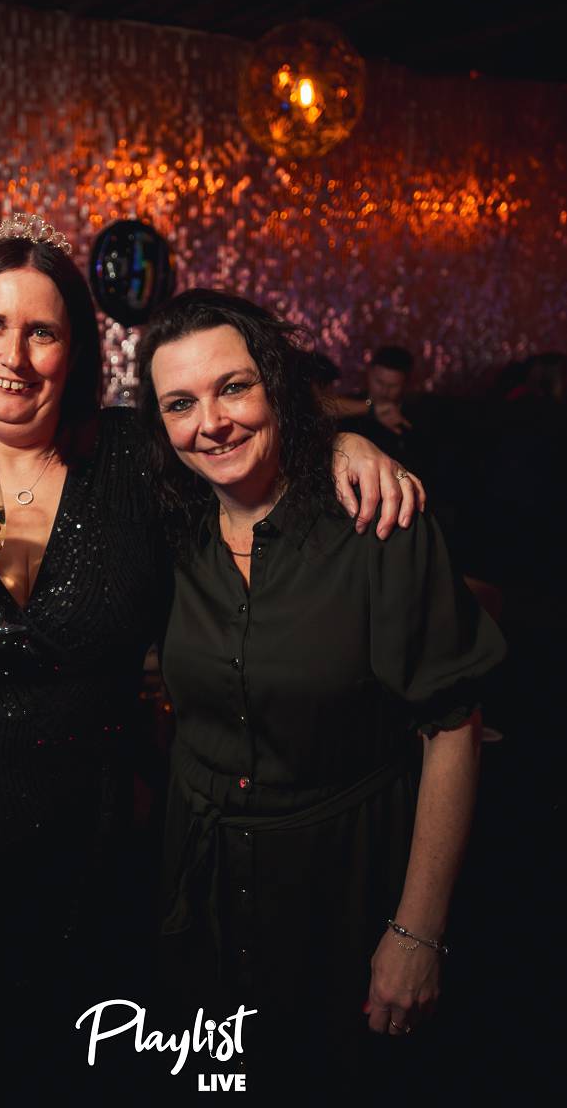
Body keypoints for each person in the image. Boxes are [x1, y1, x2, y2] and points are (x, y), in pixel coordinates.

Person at [0, 216, 421, 1104]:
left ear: (77, 352)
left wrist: (345, 445)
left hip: (79, 884)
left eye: (42, 331)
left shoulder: (133, 461)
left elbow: (238, 434)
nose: (13, 355)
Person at [136, 290, 505, 1095]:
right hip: (198, 890)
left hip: (341, 888)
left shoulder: (376, 521)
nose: (211, 423)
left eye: (234, 387)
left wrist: (416, 931)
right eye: (180, 403)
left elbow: (452, 725)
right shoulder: (169, 526)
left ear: (275, 384)